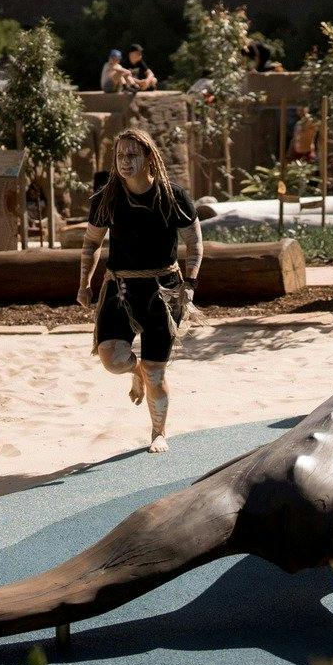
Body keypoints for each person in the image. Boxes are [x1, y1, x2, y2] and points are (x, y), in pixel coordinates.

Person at [77, 129, 201, 453]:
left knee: (156, 373)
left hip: (164, 291)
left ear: (148, 157)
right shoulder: (107, 198)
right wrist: (84, 283)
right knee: (112, 359)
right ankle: (135, 371)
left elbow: (194, 242)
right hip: (120, 288)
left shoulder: (174, 197)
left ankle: (158, 432)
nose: (125, 162)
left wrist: (190, 284)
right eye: (120, 156)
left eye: (132, 155)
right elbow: (91, 242)